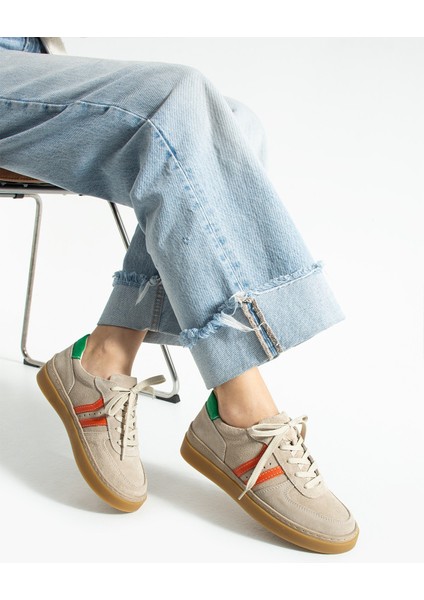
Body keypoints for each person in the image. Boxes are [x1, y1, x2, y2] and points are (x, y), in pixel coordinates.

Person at [0, 37, 359, 553]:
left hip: (25, 61)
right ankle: (242, 412)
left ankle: (105, 357)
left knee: (234, 123)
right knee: (176, 95)